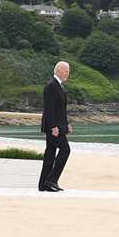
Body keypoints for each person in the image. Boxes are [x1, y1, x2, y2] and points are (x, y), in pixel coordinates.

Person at [39, 61, 72, 192]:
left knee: (50, 154)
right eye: (65, 71)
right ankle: (51, 180)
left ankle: (43, 184)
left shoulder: (59, 86)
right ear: (57, 70)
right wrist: (53, 127)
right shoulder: (52, 85)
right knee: (65, 150)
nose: (67, 74)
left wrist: (67, 124)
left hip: (58, 126)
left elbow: (60, 110)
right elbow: (49, 109)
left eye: (68, 71)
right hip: (54, 128)